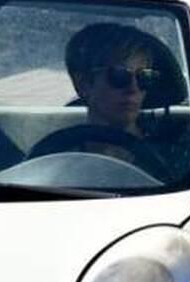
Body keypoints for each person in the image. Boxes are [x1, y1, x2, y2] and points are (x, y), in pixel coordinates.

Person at [30, 23, 179, 180]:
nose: (133, 88)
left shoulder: (175, 158)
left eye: (145, 77)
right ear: (84, 84)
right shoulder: (55, 158)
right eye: (119, 76)